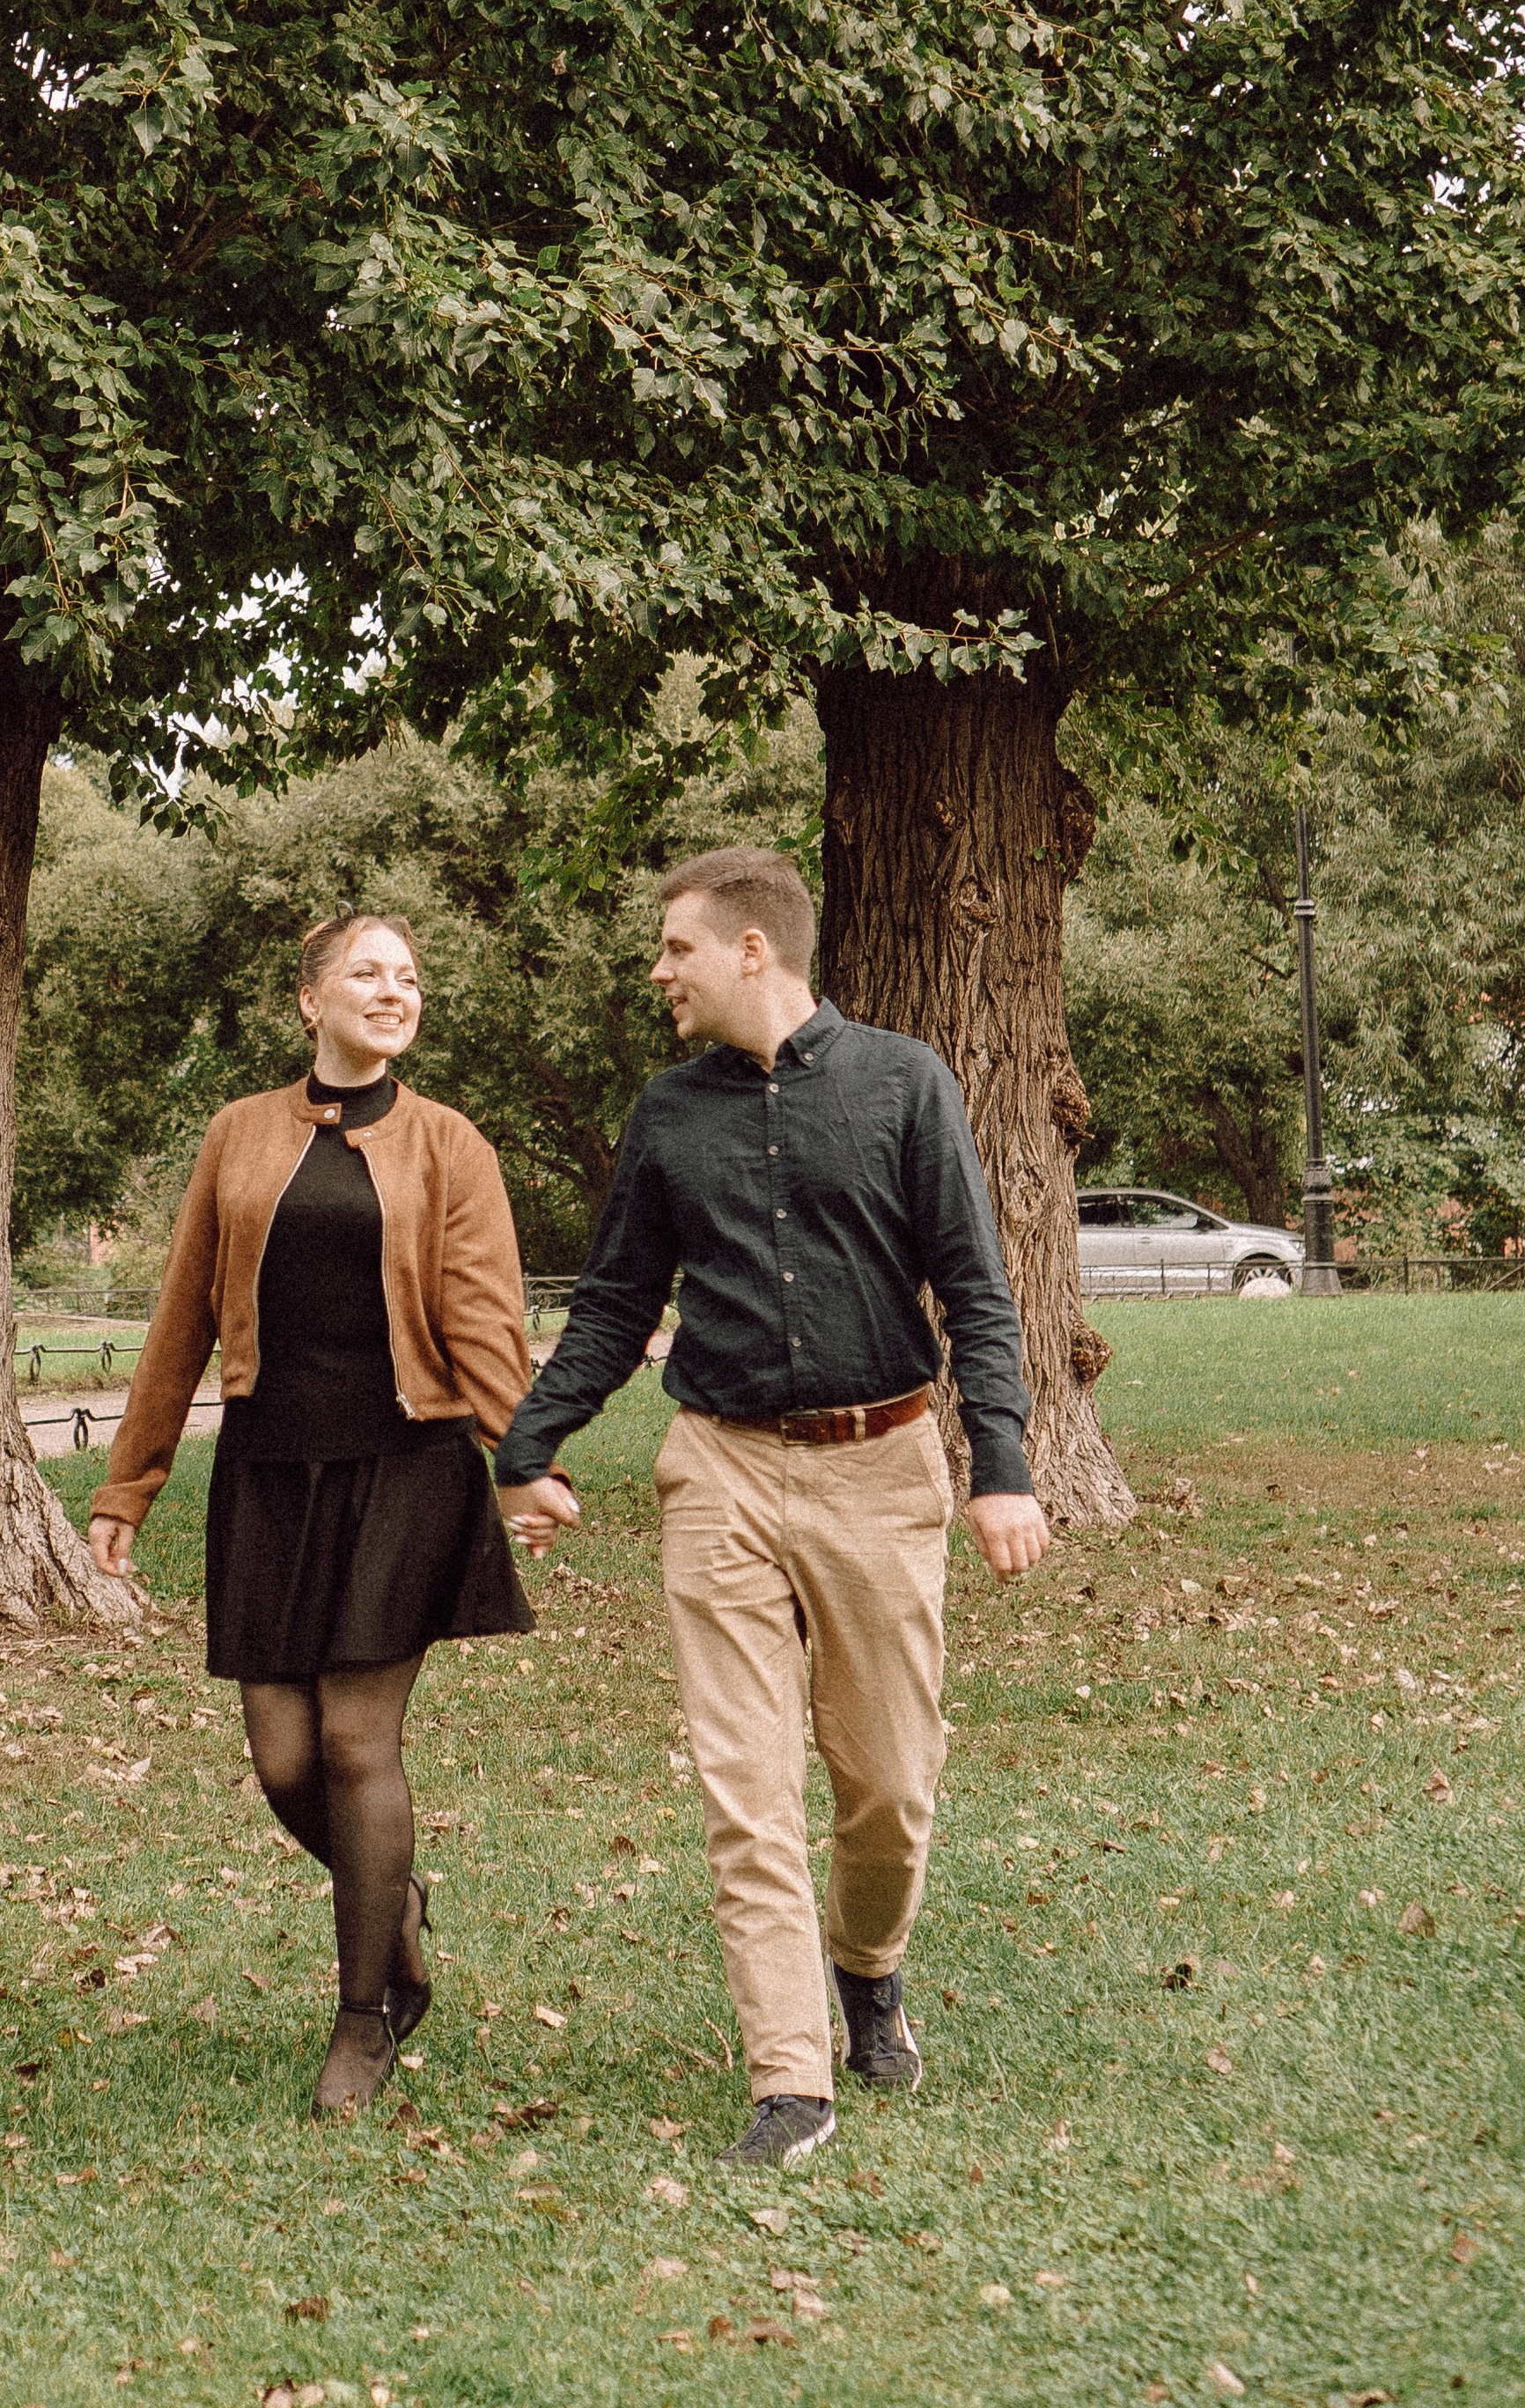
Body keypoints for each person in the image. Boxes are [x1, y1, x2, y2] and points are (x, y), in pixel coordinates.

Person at [494, 844, 1050, 2170]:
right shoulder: (666, 1112)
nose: (658, 970)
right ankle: (792, 2079)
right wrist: (531, 1438)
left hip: (881, 1465)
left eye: (675, 946)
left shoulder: (906, 1083)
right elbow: (619, 1300)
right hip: (722, 1472)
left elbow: (974, 1288)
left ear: (754, 949)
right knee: (749, 1789)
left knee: (890, 1788)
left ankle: (868, 1968)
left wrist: (1006, 1468)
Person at [86, 913, 535, 2118]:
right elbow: (183, 1313)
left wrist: (525, 1454)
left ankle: (362, 2016)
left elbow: (488, 1313)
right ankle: (394, 1910)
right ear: (309, 1000)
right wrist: (130, 1484)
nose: (394, 992)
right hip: (271, 1468)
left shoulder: (449, 1144)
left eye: (410, 978)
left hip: (405, 1462)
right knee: (283, 1760)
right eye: (368, 973)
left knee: (352, 1743)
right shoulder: (240, 1132)